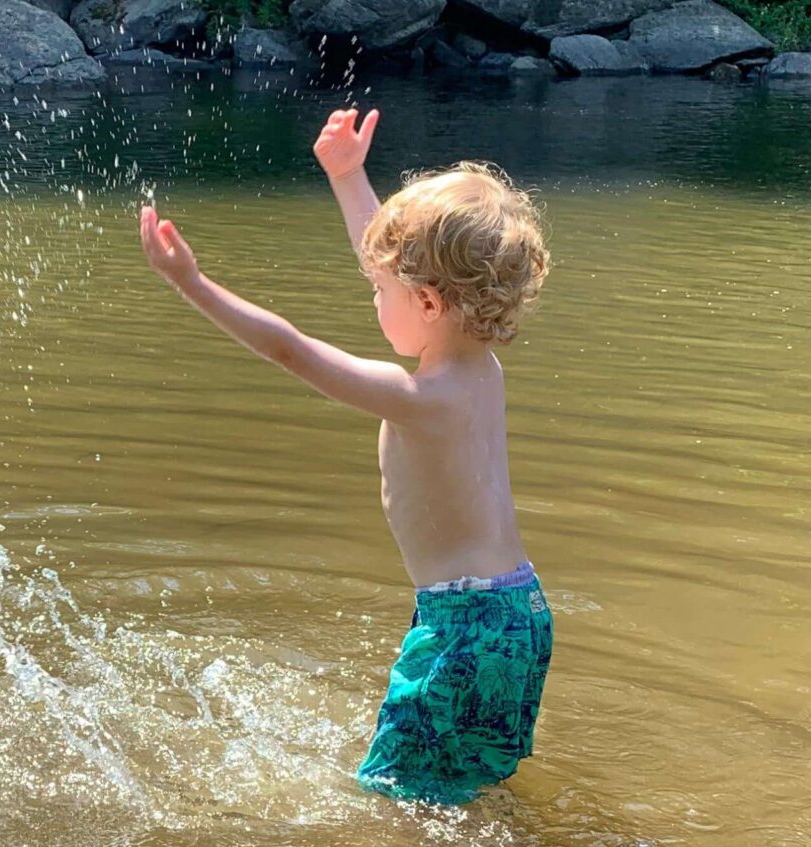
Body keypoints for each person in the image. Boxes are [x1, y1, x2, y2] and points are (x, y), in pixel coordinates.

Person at [138, 106, 552, 807]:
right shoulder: (479, 368)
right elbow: (395, 260)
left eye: (379, 291)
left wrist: (193, 285)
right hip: (518, 613)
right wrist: (347, 175)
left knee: (395, 802)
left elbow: (290, 350)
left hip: (465, 629)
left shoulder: (420, 397)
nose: (372, 294)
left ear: (428, 303)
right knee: (462, 791)